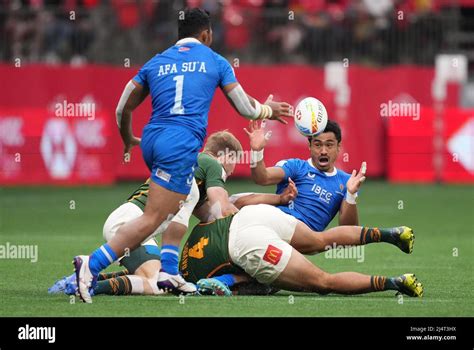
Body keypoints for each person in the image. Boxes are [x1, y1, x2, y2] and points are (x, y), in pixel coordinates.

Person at [73, 8, 292, 303]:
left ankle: (168, 271)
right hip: (180, 142)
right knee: (153, 218)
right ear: (207, 34)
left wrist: (128, 139)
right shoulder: (215, 61)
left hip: (152, 140)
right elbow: (245, 107)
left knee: (181, 201)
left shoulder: (157, 61)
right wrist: (269, 110)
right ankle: (92, 264)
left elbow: (122, 107)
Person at [180, 204, 423, 297]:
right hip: (253, 214)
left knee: (323, 282)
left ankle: (395, 282)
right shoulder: (193, 237)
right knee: (319, 240)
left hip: (248, 245)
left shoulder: (188, 279)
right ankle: (391, 233)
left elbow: (239, 281)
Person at [245, 119, 365, 231]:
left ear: (338, 147)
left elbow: (348, 232)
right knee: (237, 201)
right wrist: (257, 152)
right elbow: (262, 178)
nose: (323, 151)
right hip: (279, 228)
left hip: (306, 240)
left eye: (329, 145)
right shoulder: (296, 167)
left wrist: (350, 195)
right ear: (310, 146)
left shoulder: (346, 182)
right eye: (318, 145)